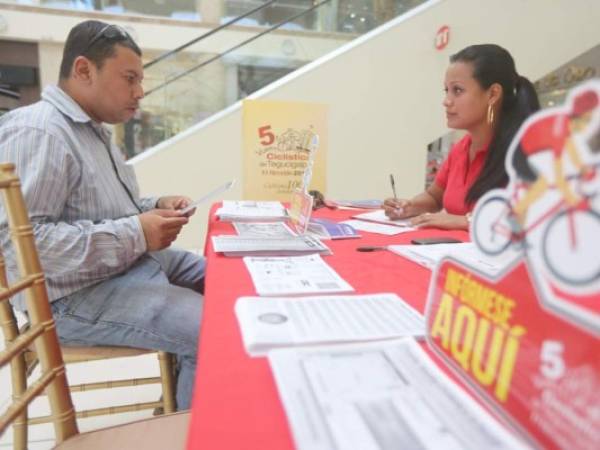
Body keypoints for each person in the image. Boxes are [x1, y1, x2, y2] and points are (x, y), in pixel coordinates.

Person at [0, 20, 203, 410]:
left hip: (120, 267)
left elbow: (109, 211)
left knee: (226, 279)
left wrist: (154, 207)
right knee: (210, 330)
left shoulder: (92, 131)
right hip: (70, 297)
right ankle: (189, 427)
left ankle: (179, 397)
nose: (140, 92)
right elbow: (24, 248)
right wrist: (137, 233)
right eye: (129, 78)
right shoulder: (40, 132)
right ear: (83, 70)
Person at [383, 44, 540, 229]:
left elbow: (531, 216)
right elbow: (435, 197)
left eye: (457, 90)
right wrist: (409, 206)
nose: (446, 101)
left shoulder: (527, 151)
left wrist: (465, 221)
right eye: (446, 91)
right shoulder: (461, 148)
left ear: (493, 94)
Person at [510, 89, 598, 227]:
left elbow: (572, 152)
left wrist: (583, 169)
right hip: (520, 152)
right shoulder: (560, 129)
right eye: (587, 120)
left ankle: (518, 223)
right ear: (578, 116)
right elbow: (559, 177)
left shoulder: (567, 123)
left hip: (529, 149)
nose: (588, 125)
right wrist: (574, 201)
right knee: (542, 183)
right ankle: (514, 214)